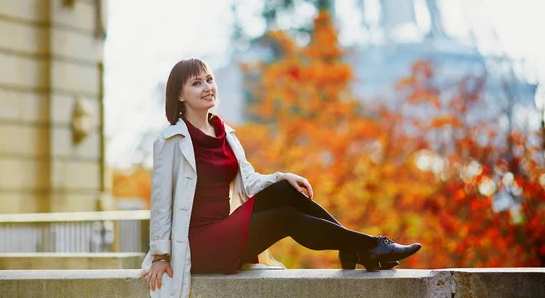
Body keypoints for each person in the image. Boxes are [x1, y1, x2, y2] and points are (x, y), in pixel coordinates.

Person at [139, 58, 421, 297]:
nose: (208, 87)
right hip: (198, 245)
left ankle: (359, 248)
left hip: (224, 229)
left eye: (209, 79)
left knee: (286, 190)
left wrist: (282, 176)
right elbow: (161, 202)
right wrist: (161, 256)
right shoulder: (171, 141)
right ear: (179, 95)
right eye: (196, 83)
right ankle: (367, 247)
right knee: (285, 217)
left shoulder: (226, 132)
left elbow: (248, 181)